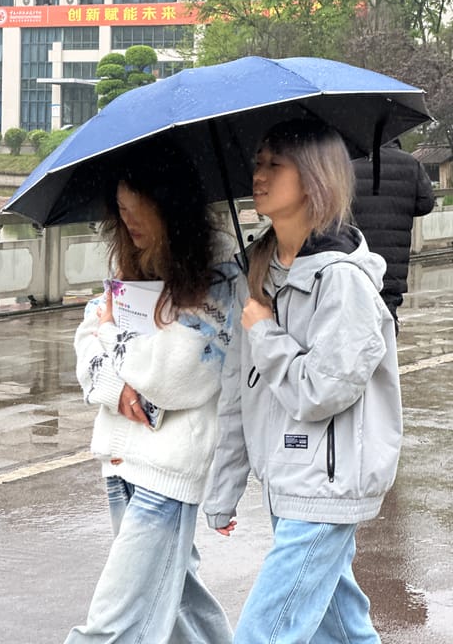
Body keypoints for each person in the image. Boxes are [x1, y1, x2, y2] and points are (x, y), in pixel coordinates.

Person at [204, 119, 402, 643]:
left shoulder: (343, 280)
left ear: (314, 177)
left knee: (263, 633)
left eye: (275, 164)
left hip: (326, 486)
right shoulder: (259, 271)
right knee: (344, 631)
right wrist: (223, 489)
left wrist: (265, 331)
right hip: (284, 483)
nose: (259, 176)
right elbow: (237, 394)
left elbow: (322, 391)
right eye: (257, 164)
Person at [64, 140, 239, 644]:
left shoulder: (219, 273)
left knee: (111, 626)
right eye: (122, 212)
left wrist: (112, 331)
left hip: (167, 471)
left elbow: (179, 373)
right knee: (182, 606)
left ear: (171, 208)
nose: (131, 225)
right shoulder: (132, 264)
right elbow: (83, 344)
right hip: (119, 461)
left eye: (140, 213)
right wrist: (117, 385)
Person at [352, 139, 435, 332]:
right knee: (386, 320)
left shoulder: (350, 164)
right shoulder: (411, 163)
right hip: (393, 265)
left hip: (358, 259)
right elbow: (426, 203)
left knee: (355, 319)